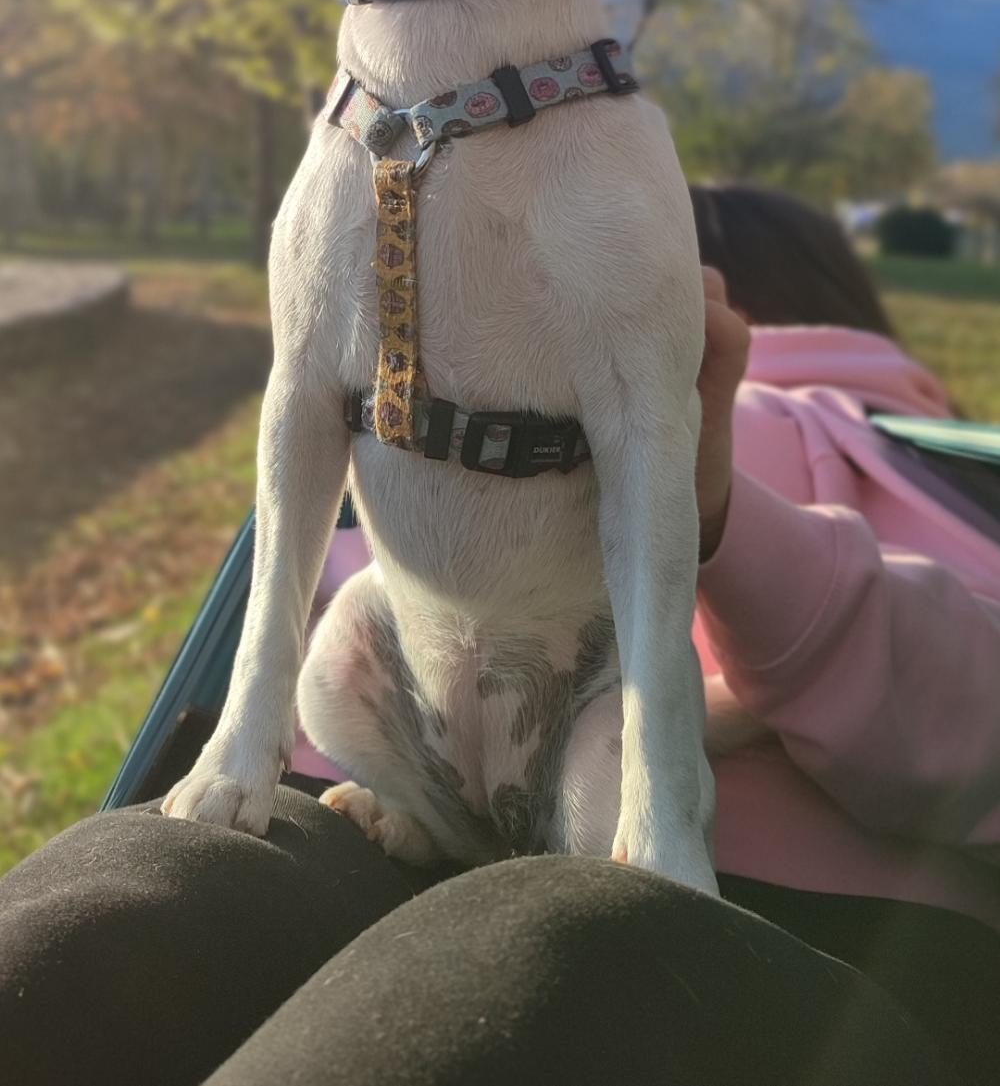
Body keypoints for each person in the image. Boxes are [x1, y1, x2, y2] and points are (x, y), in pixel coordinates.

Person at [2, 193, 999, 1084]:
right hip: (385, 813)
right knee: (125, 902)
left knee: (544, 952)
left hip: (793, 919)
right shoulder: (470, 415)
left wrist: (719, 502)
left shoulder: (914, 461)